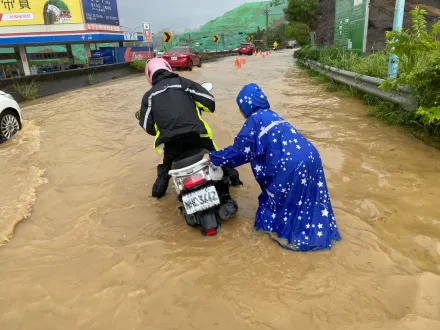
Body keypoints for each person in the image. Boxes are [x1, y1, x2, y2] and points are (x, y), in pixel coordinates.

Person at [203, 83, 341, 251]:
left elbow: (240, 151)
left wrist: (213, 157)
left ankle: (288, 239)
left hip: (291, 165)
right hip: (312, 157)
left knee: (277, 202)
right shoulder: (273, 116)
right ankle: (318, 236)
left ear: (245, 106)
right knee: (307, 201)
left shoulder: (254, 121)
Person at [136, 57, 241, 199]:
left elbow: (147, 126)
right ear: (168, 68)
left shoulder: (149, 97)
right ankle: (237, 184)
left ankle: (157, 196)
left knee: (164, 174)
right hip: (197, 136)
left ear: (149, 75)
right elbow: (210, 102)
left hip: (172, 145)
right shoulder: (184, 84)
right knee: (218, 160)